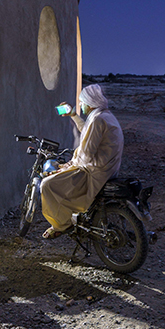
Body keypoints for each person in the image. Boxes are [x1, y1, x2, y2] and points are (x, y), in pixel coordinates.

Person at [40, 84, 124, 239]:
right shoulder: (104, 116)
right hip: (106, 169)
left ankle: (61, 225)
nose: (80, 105)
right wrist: (73, 114)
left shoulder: (98, 120)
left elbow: (86, 156)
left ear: (90, 104)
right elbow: (87, 131)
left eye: (81, 103)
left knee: (47, 185)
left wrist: (64, 168)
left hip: (94, 172)